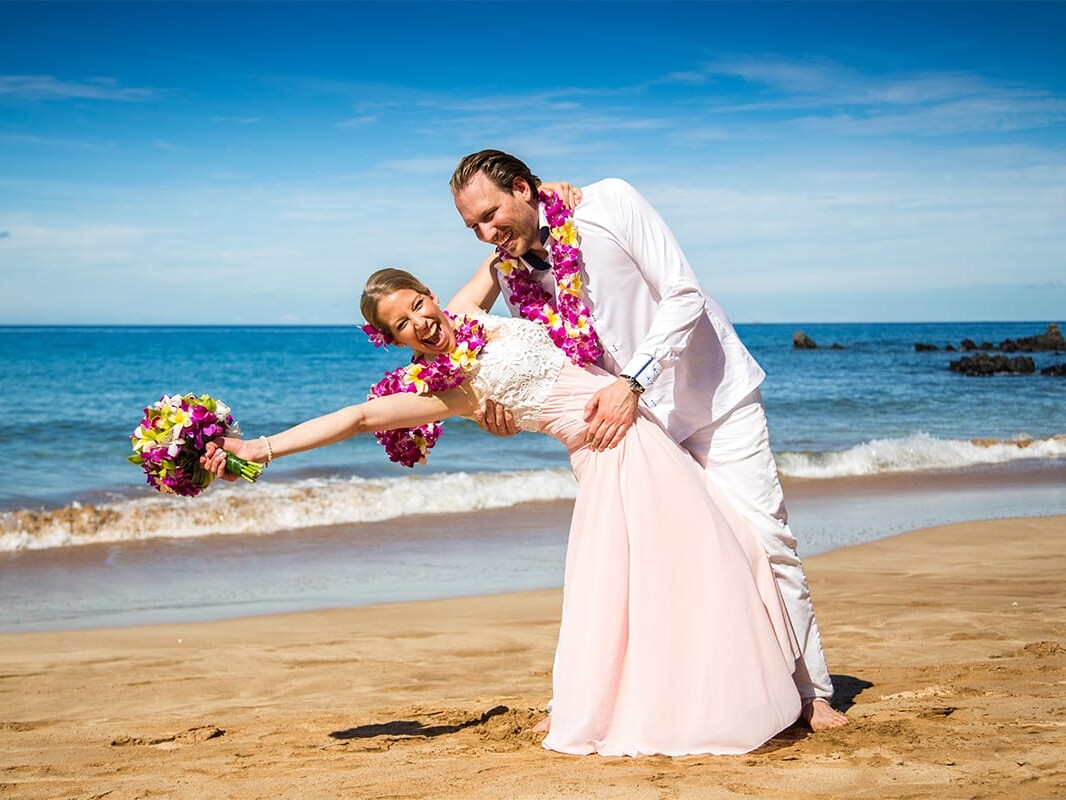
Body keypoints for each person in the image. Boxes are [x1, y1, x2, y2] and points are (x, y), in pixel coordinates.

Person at [202, 268, 802, 757]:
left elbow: (505, 245)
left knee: (709, 556)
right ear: (394, 340)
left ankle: (745, 685)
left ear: (429, 293)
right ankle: (677, 704)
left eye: (417, 305)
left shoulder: (468, 308)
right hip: (607, 456)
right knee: (645, 583)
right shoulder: (450, 390)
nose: (420, 323)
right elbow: (358, 418)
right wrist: (261, 448)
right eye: (402, 325)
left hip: (640, 430)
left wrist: (559, 193)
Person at [448, 150, 848, 731]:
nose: (486, 233)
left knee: (766, 539)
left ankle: (811, 691)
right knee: (650, 560)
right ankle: (665, 693)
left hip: (712, 396)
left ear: (522, 188)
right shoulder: (513, 277)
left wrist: (633, 382)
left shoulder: (609, 202)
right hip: (630, 427)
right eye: (473, 227)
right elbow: (545, 357)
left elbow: (684, 293)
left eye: (490, 215)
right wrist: (499, 404)